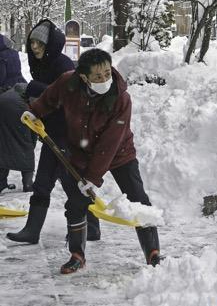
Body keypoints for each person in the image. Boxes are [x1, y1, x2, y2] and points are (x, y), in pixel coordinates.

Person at [25, 48, 160, 274]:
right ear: (83, 77)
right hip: (82, 152)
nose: (105, 79)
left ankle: (153, 252)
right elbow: (49, 98)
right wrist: (35, 111)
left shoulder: (120, 97)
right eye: (98, 76)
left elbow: (110, 142)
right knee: (76, 202)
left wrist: (92, 178)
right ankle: (77, 254)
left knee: (138, 198)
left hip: (119, 153)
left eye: (107, 72)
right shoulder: (68, 83)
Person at [7, 19, 101, 243]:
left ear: (49, 44)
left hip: (69, 134)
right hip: (51, 132)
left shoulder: (63, 64)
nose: (35, 47)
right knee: (43, 184)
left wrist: (32, 88)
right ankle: (32, 231)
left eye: (40, 43)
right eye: (32, 43)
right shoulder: (40, 63)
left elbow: (65, 97)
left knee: (71, 183)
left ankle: (92, 226)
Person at [0, 33, 32, 193]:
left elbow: (1, 77)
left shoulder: (1, 57)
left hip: (6, 97)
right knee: (24, 140)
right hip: (21, 94)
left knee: (3, 143)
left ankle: (1, 183)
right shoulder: (13, 54)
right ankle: (27, 183)